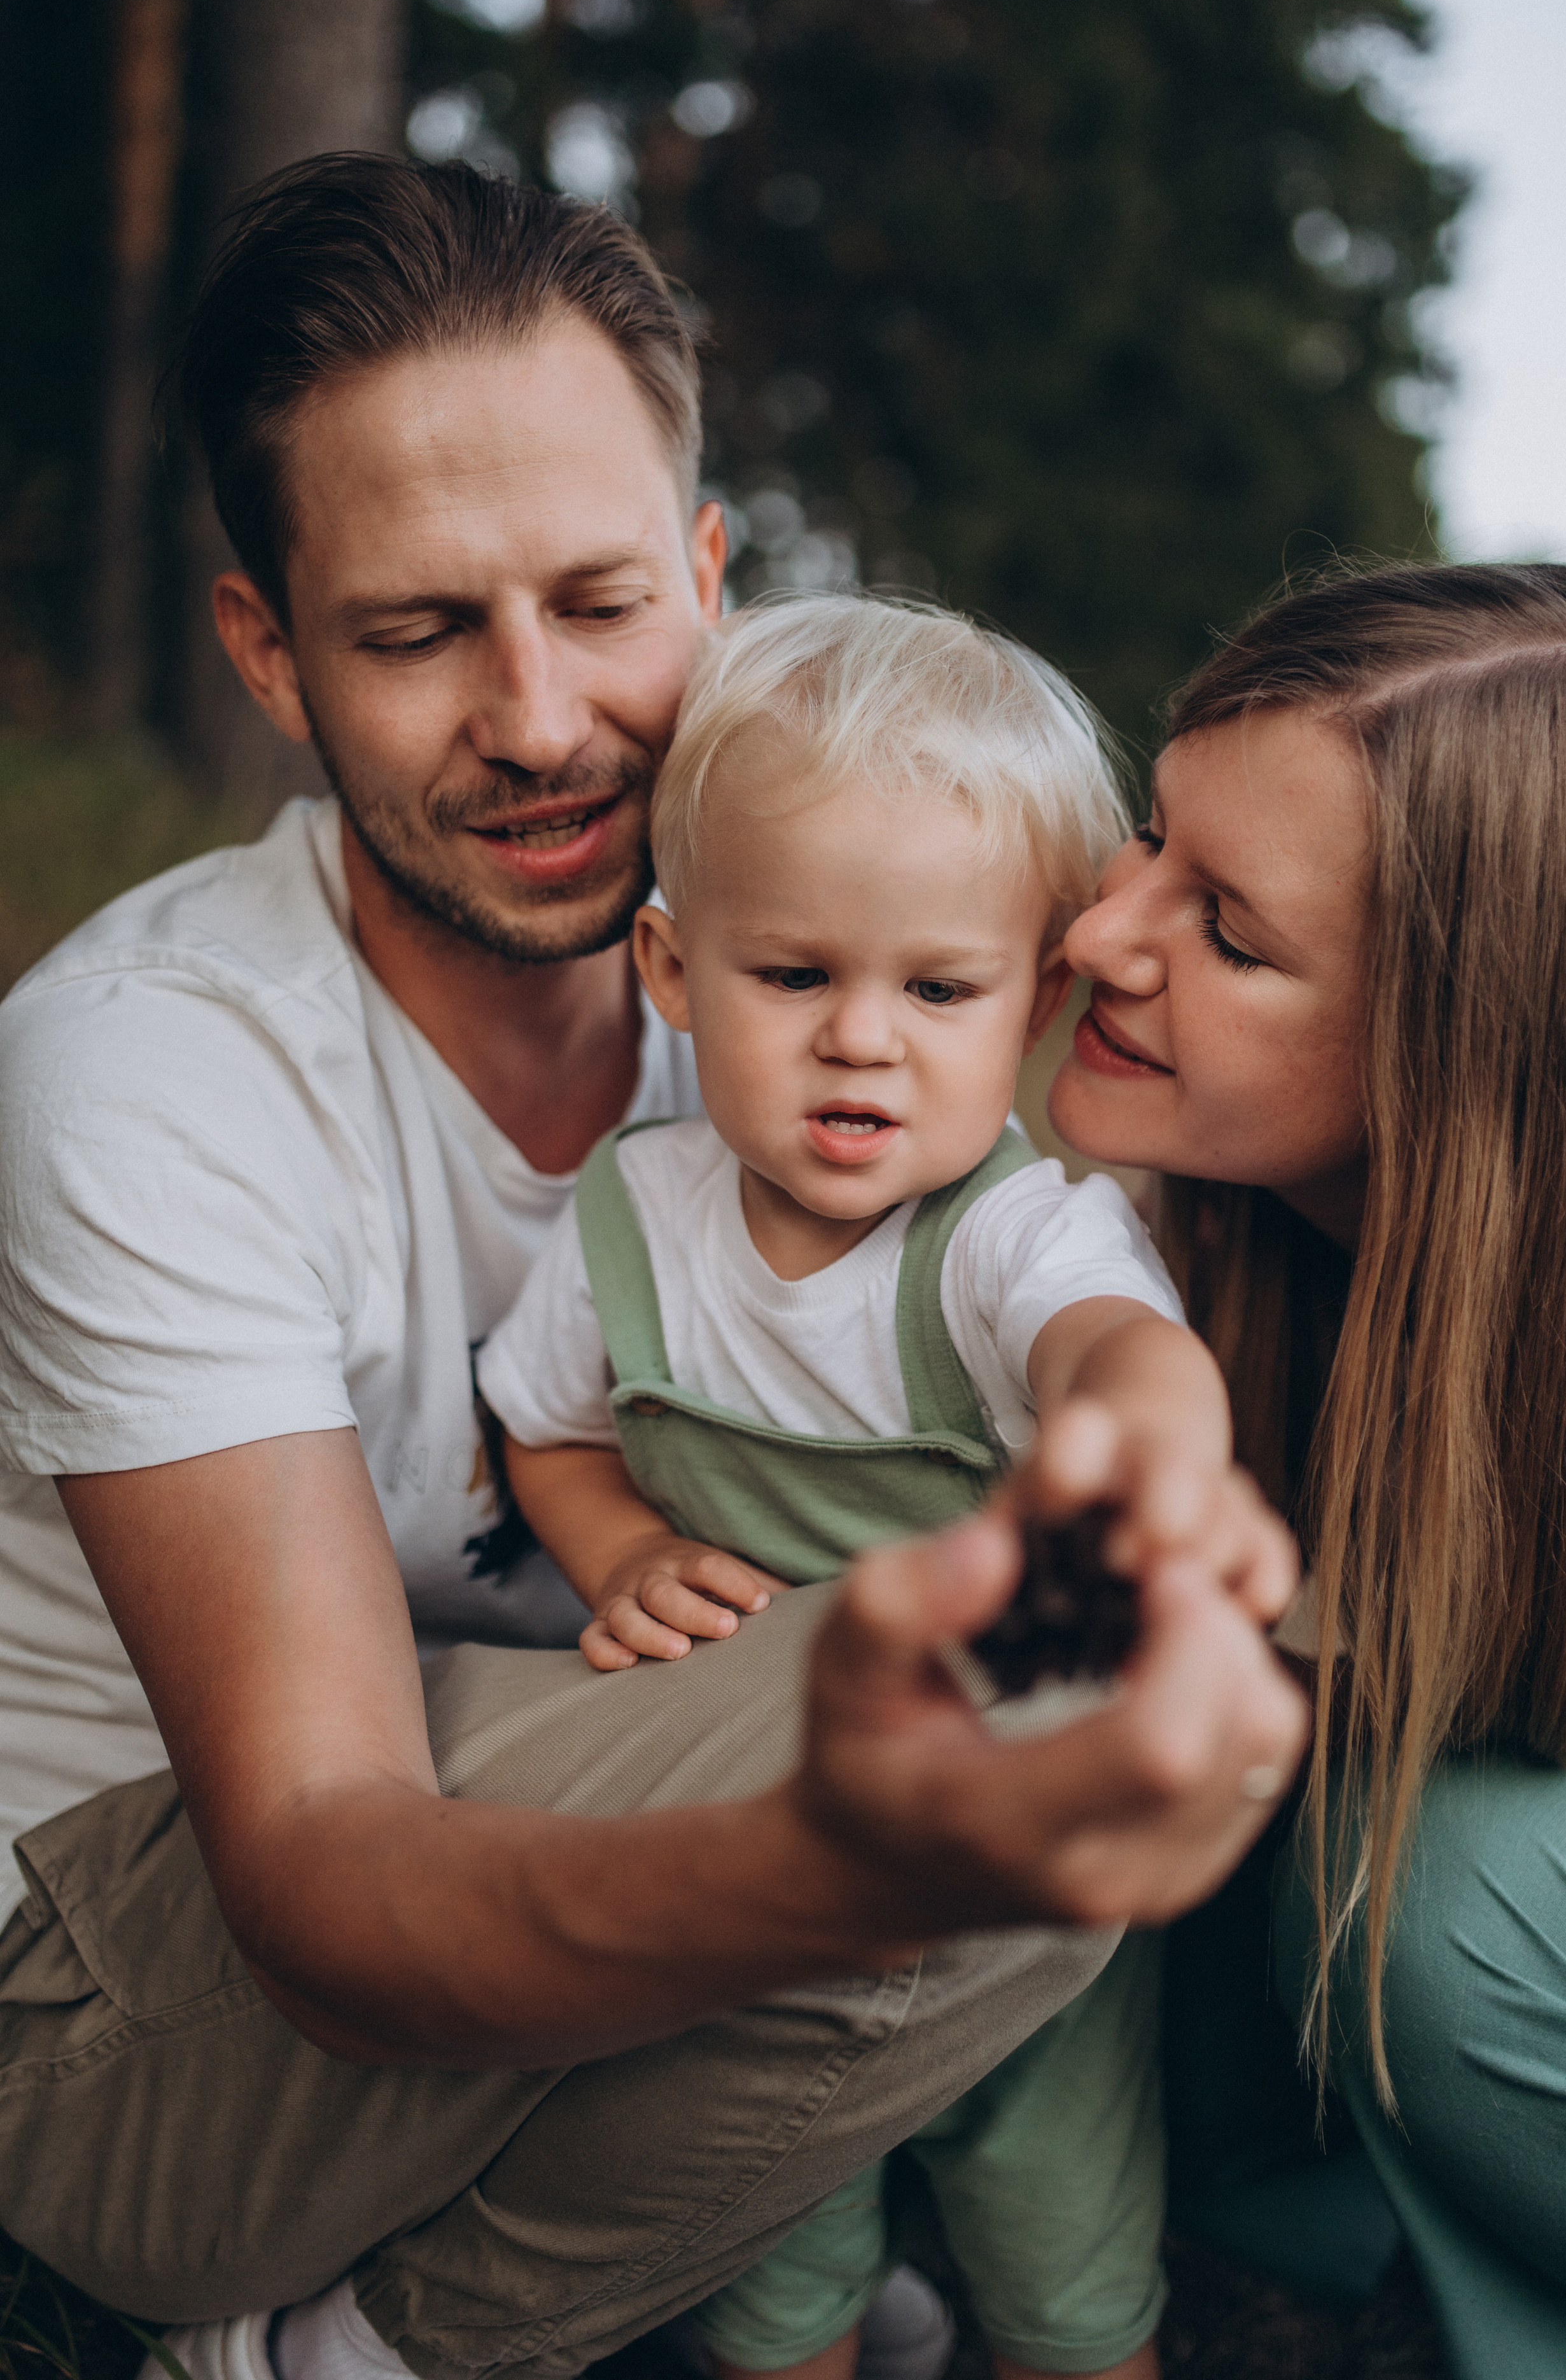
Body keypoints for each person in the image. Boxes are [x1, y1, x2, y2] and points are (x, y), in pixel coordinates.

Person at [0, 151, 1305, 2380]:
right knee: (1027, 1691)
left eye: (605, 605)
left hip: (541, 1836)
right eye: (415, 632)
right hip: (122, 2009)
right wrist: (853, 1866)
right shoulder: (146, 1072)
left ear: (710, 571)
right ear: (268, 649)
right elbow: (319, 1867)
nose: (536, 720)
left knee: (1071, 1649)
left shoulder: (827, 998)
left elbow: (1079, 1278)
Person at [481, 591, 1285, 2380]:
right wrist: (620, 1548)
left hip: (1017, 1864)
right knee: (772, 2252)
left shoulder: (1011, 1230)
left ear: (1042, 1001)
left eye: (938, 989)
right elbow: (549, 1425)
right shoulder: (630, 1220)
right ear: (676, 974)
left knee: (1063, 2249)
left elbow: (1115, 1352)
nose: (865, 1039)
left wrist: (1136, 1463)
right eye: (796, 977)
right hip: (759, 1855)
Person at [1043, 559, 1566, 2380]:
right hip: (1284, 2199)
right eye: (1149, 839)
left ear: (1470, 1049)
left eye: (1226, 928)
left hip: (1511, 1974)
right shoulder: (1206, 1257)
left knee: (1443, 1913)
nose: (1097, 936)